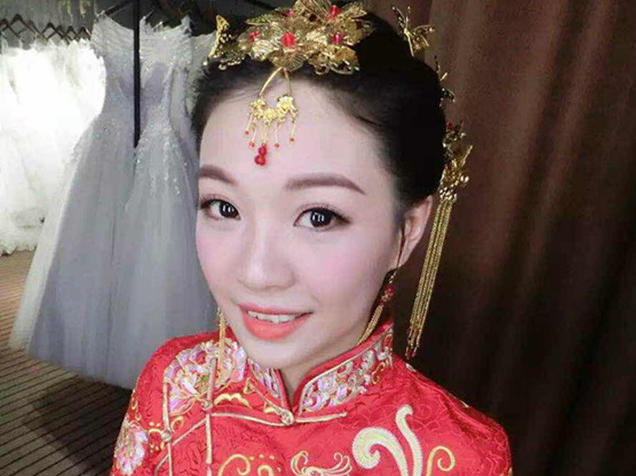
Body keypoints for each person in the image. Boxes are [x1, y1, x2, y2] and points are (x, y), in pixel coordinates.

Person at [110, 2, 513, 474]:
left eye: (319, 217)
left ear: (406, 231)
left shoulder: (465, 458)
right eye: (224, 207)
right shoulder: (172, 383)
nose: (256, 273)